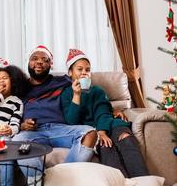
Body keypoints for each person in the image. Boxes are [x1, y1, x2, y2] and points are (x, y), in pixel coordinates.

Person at [12, 45, 98, 181]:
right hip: (33, 133)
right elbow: (7, 111)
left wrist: (111, 108)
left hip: (60, 130)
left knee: (90, 133)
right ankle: (37, 181)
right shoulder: (19, 87)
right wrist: (22, 125)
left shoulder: (62, 81)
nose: (39, 62)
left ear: (50, 65)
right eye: (35, 59)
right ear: (28, 63)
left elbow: (86, 86)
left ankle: (62, 180)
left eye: (44, 59)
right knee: (16, 142)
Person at [60, 49, 149, 178]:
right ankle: (120, 182)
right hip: (92, 132)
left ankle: (144, 180)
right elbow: (72, 122)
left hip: (110, 125)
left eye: (87, 69)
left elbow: (103, 112)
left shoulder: (97, 91)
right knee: (106, 147)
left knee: (126, 138)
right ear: (70, 72)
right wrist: (77, 95)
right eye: (80, 69)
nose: (84, 73)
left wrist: (102, 131)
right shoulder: (66, 94)